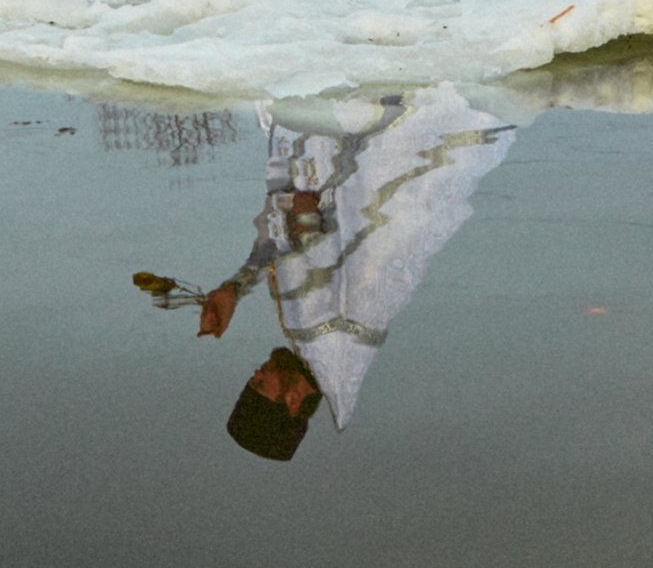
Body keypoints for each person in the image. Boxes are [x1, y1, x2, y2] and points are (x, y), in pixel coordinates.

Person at [137, 87, 517, 458]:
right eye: (258, 388)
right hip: (363, 148)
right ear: (292, 403)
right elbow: (350, 237)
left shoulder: (315, 346)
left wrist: (235, 288)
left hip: (331, 159)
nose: (255, 375)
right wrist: (305, 215)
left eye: (250, 384)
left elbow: (287, 248)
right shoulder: (330, 338)